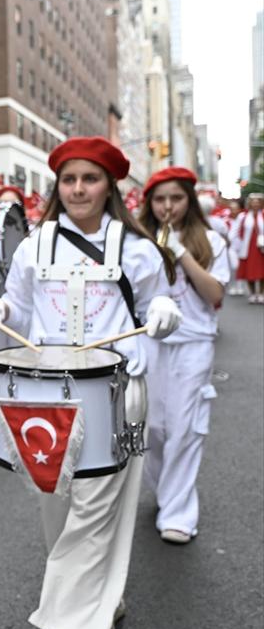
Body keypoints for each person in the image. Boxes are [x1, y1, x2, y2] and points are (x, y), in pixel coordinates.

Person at [0, 136, 182, 629]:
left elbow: (158, 304)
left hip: (114, 391)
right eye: (69, 180)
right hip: (43, 395)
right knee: (57, 506)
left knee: (93, 507)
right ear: (57, 187)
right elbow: (17, 306)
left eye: (90, 179)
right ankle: (100, 597)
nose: (79, 189)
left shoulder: (135, 248)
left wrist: (164, 310)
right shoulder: (33, 246)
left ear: (109, 187)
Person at [138, 168, 231, 544]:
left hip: (193, 343)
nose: (167, 207)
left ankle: (178, 512)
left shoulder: (211, 240)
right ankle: (167, 492)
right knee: (151, 428)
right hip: (148, 342)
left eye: (176, 198)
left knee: (185, 428)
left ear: (189, 202)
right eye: (160, 200)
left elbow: (215, 295)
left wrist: (181, 253)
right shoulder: (137, 241)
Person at [231, 192, 264, 302]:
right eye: (253, 202)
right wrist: (235, 245)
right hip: (248, 248)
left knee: (262, 272)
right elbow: (236, 231)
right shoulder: (243, 216)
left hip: (261, 248)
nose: (255, 204)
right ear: (250, 204)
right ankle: (253, 293)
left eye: (257, 202)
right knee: (249, 271)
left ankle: (261, 293)